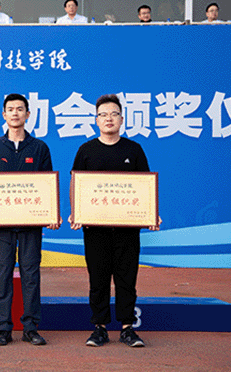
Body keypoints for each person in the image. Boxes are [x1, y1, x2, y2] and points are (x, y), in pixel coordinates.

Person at [69, 94, 161, 348]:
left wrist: (151, 213)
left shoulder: (134, 150)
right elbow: (75, 183)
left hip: (126, 229)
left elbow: (145, 185)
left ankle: (127, 328)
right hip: (95, 228)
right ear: (96, 120)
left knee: (126, 278)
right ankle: (99, 328)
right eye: (103, 114)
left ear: (121, 119)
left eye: (113, 114)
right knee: (97, 278)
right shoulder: (86, 150)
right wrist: (76, 212)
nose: (108, 118)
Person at [0, 94, 60, 346]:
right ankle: (3, 328)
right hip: (2, 225)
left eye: (20, 109)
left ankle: (31, 327)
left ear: (28, 114)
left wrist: (51, 213)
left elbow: (47, 185)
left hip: (30, 225)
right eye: (10, 109)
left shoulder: (39, 148)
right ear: (3, 115)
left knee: (31, 276)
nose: (15, 113)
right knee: (2, 275)